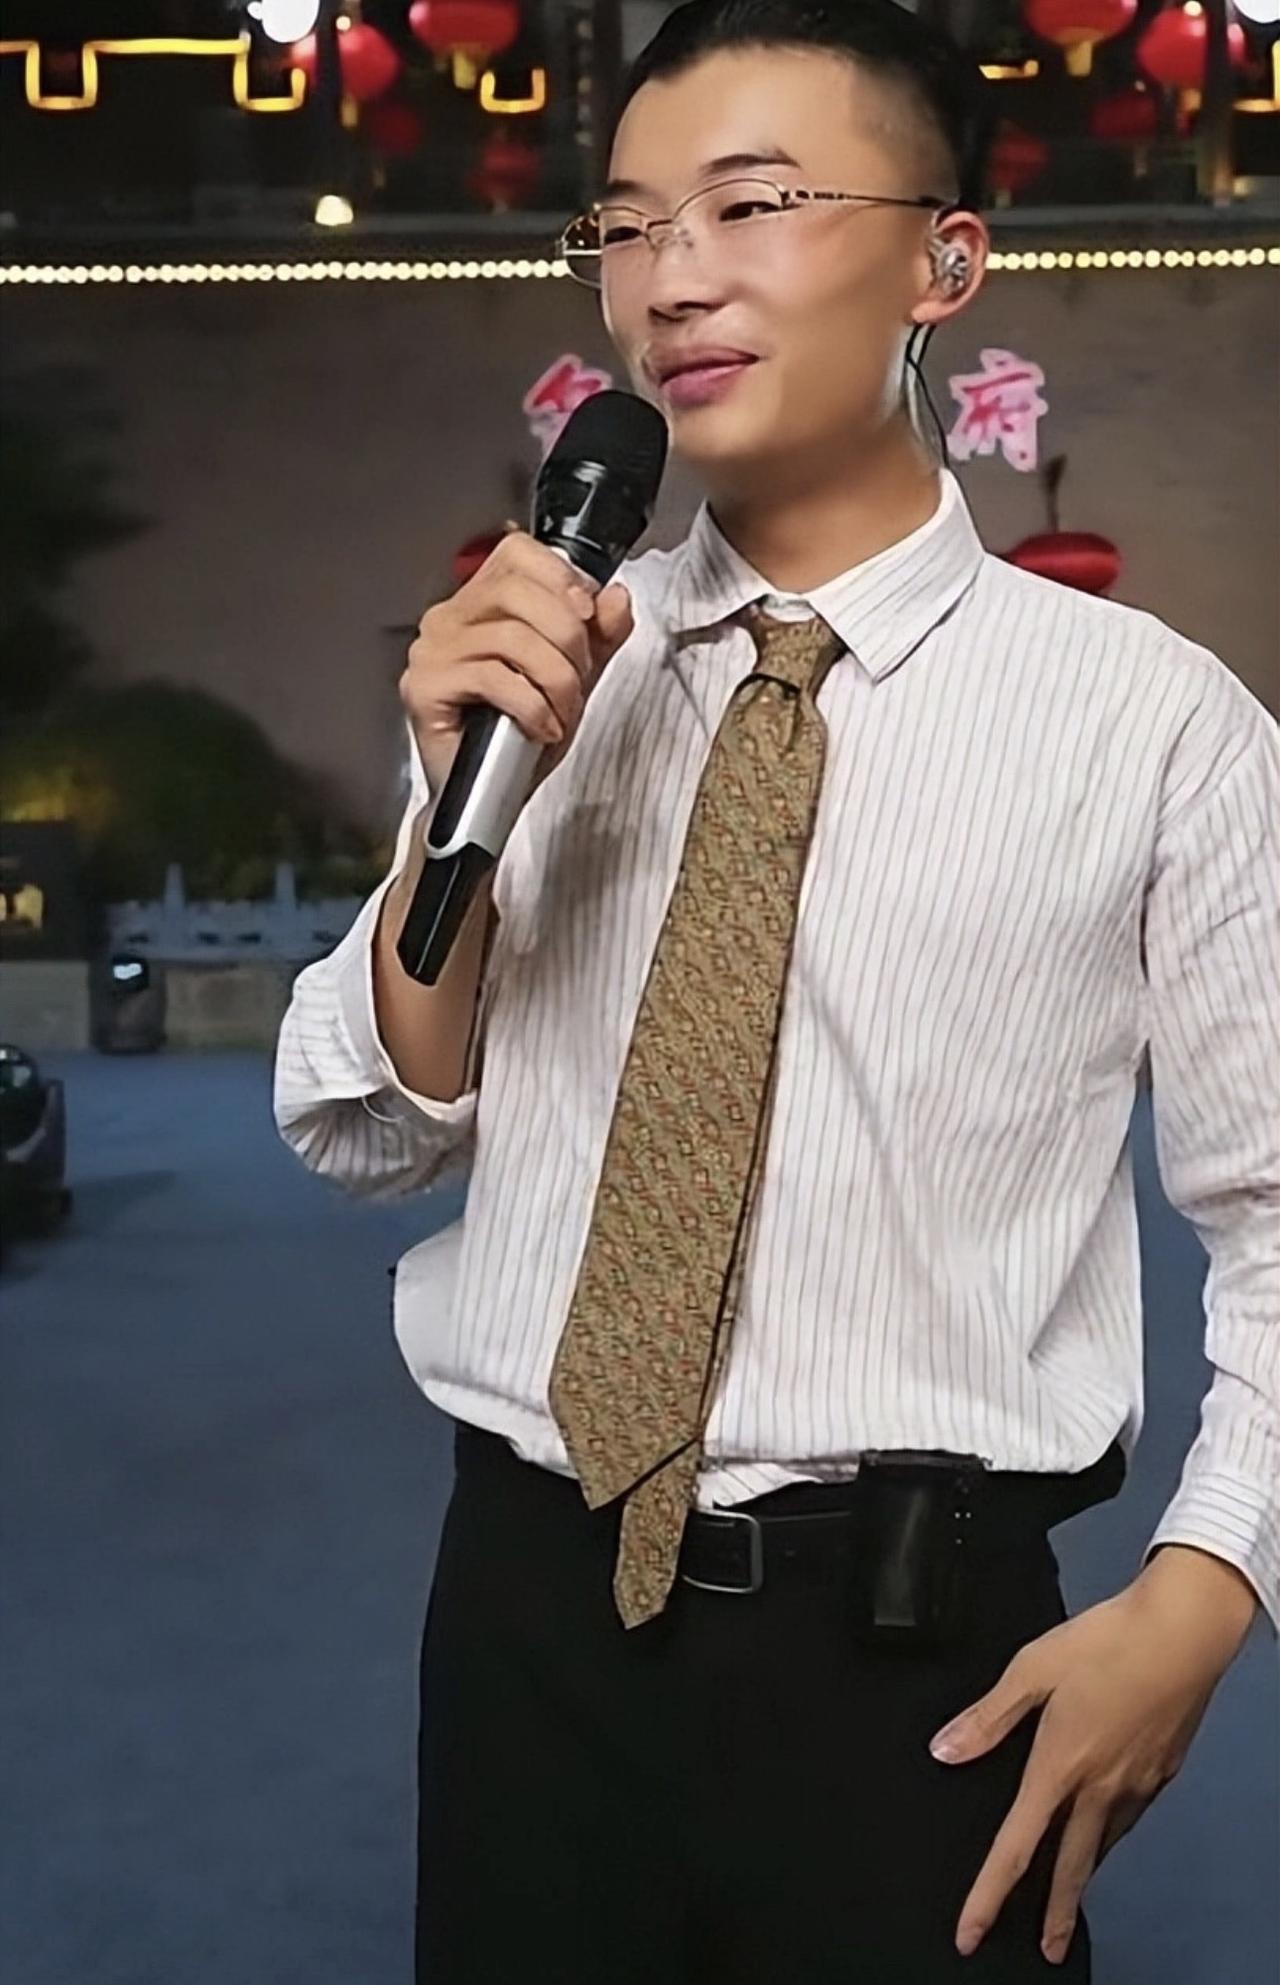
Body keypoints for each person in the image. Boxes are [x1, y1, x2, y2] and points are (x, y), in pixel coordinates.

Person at [274, 3, 1279, 1979]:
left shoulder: (1157, 730)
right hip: (526, 1620)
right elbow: (366, 1130)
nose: (672, 279)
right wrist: (458, 803)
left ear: (943, 261)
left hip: (910, 1657)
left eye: (749, 205)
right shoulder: (543, 665)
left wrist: (1204, 1585)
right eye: (628, 224)